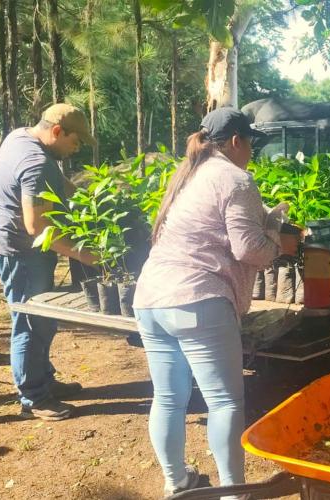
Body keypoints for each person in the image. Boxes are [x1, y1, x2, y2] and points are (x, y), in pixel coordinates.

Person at [132, 107, 300, 497]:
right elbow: (249, 249)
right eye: (251, 144)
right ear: (237, 142)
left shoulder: (188, 175)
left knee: (169, 398)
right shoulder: (235, 178)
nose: (253, 153)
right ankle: (233, 493)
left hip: (151, 299)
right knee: (224, 401)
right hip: (197, 300)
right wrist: (282, 242)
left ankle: (177, 483)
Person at [0, 104, 98, 421]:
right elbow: (38, 228)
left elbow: (59, 183)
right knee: (30, 325)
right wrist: (82, 252)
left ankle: (43, 381)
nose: (75, 150)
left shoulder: (21, 137)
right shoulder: (37, 162)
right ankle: (33, 397)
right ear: (57, 131)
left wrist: (91, 198)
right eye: (75, 142)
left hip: (13, 249)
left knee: (43, 321)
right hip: (21, 254)